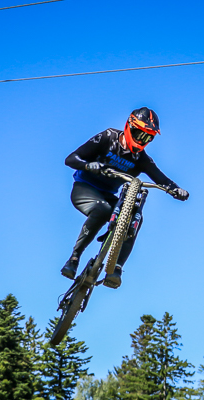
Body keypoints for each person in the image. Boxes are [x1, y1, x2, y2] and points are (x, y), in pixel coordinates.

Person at [61, 107, 189, 288]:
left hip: (108, 195)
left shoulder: (142, 159)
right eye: (139, 134)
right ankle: (74, 259)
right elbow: (71, 159)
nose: (141, 140)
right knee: (102, 209)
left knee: (135, 215)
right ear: (129, 126)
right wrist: (89, 165)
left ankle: (116, 268)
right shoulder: (107, 137)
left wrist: (176, 190)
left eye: (147, 137)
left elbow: (161, 178)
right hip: (85, 188)